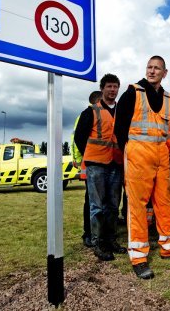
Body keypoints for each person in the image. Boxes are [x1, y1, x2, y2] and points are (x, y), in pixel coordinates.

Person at [114, 55, 170, 280]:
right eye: (149, 67)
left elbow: (167, 128)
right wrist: (129, 152)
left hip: (161, 155)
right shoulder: (133, 92)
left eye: (156, 68)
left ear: (164, 72)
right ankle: (139, 257)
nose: (151, 71)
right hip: (138, 154)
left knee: (165, 202)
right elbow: (119, 127)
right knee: (138, 206)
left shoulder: (168, 98)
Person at [74, 74, 126, 261]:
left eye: (115, 87)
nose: (112, 90)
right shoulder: (90, 112)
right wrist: (90, 156)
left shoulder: (122, 111)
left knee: (113, 205)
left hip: (116, 164)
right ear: (102, 89)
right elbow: (79, 137)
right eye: (109, 86)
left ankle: (111, 240)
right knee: (97, 206)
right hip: (96, 165)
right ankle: (97, 242)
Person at [72, 90, 102, 248]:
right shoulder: (86, 114)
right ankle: (88, 233)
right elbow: (76, 138)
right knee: (91, 201)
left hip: (96, 163)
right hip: (89, 163)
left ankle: (96, 232)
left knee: (97, 201)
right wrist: (80, 158)